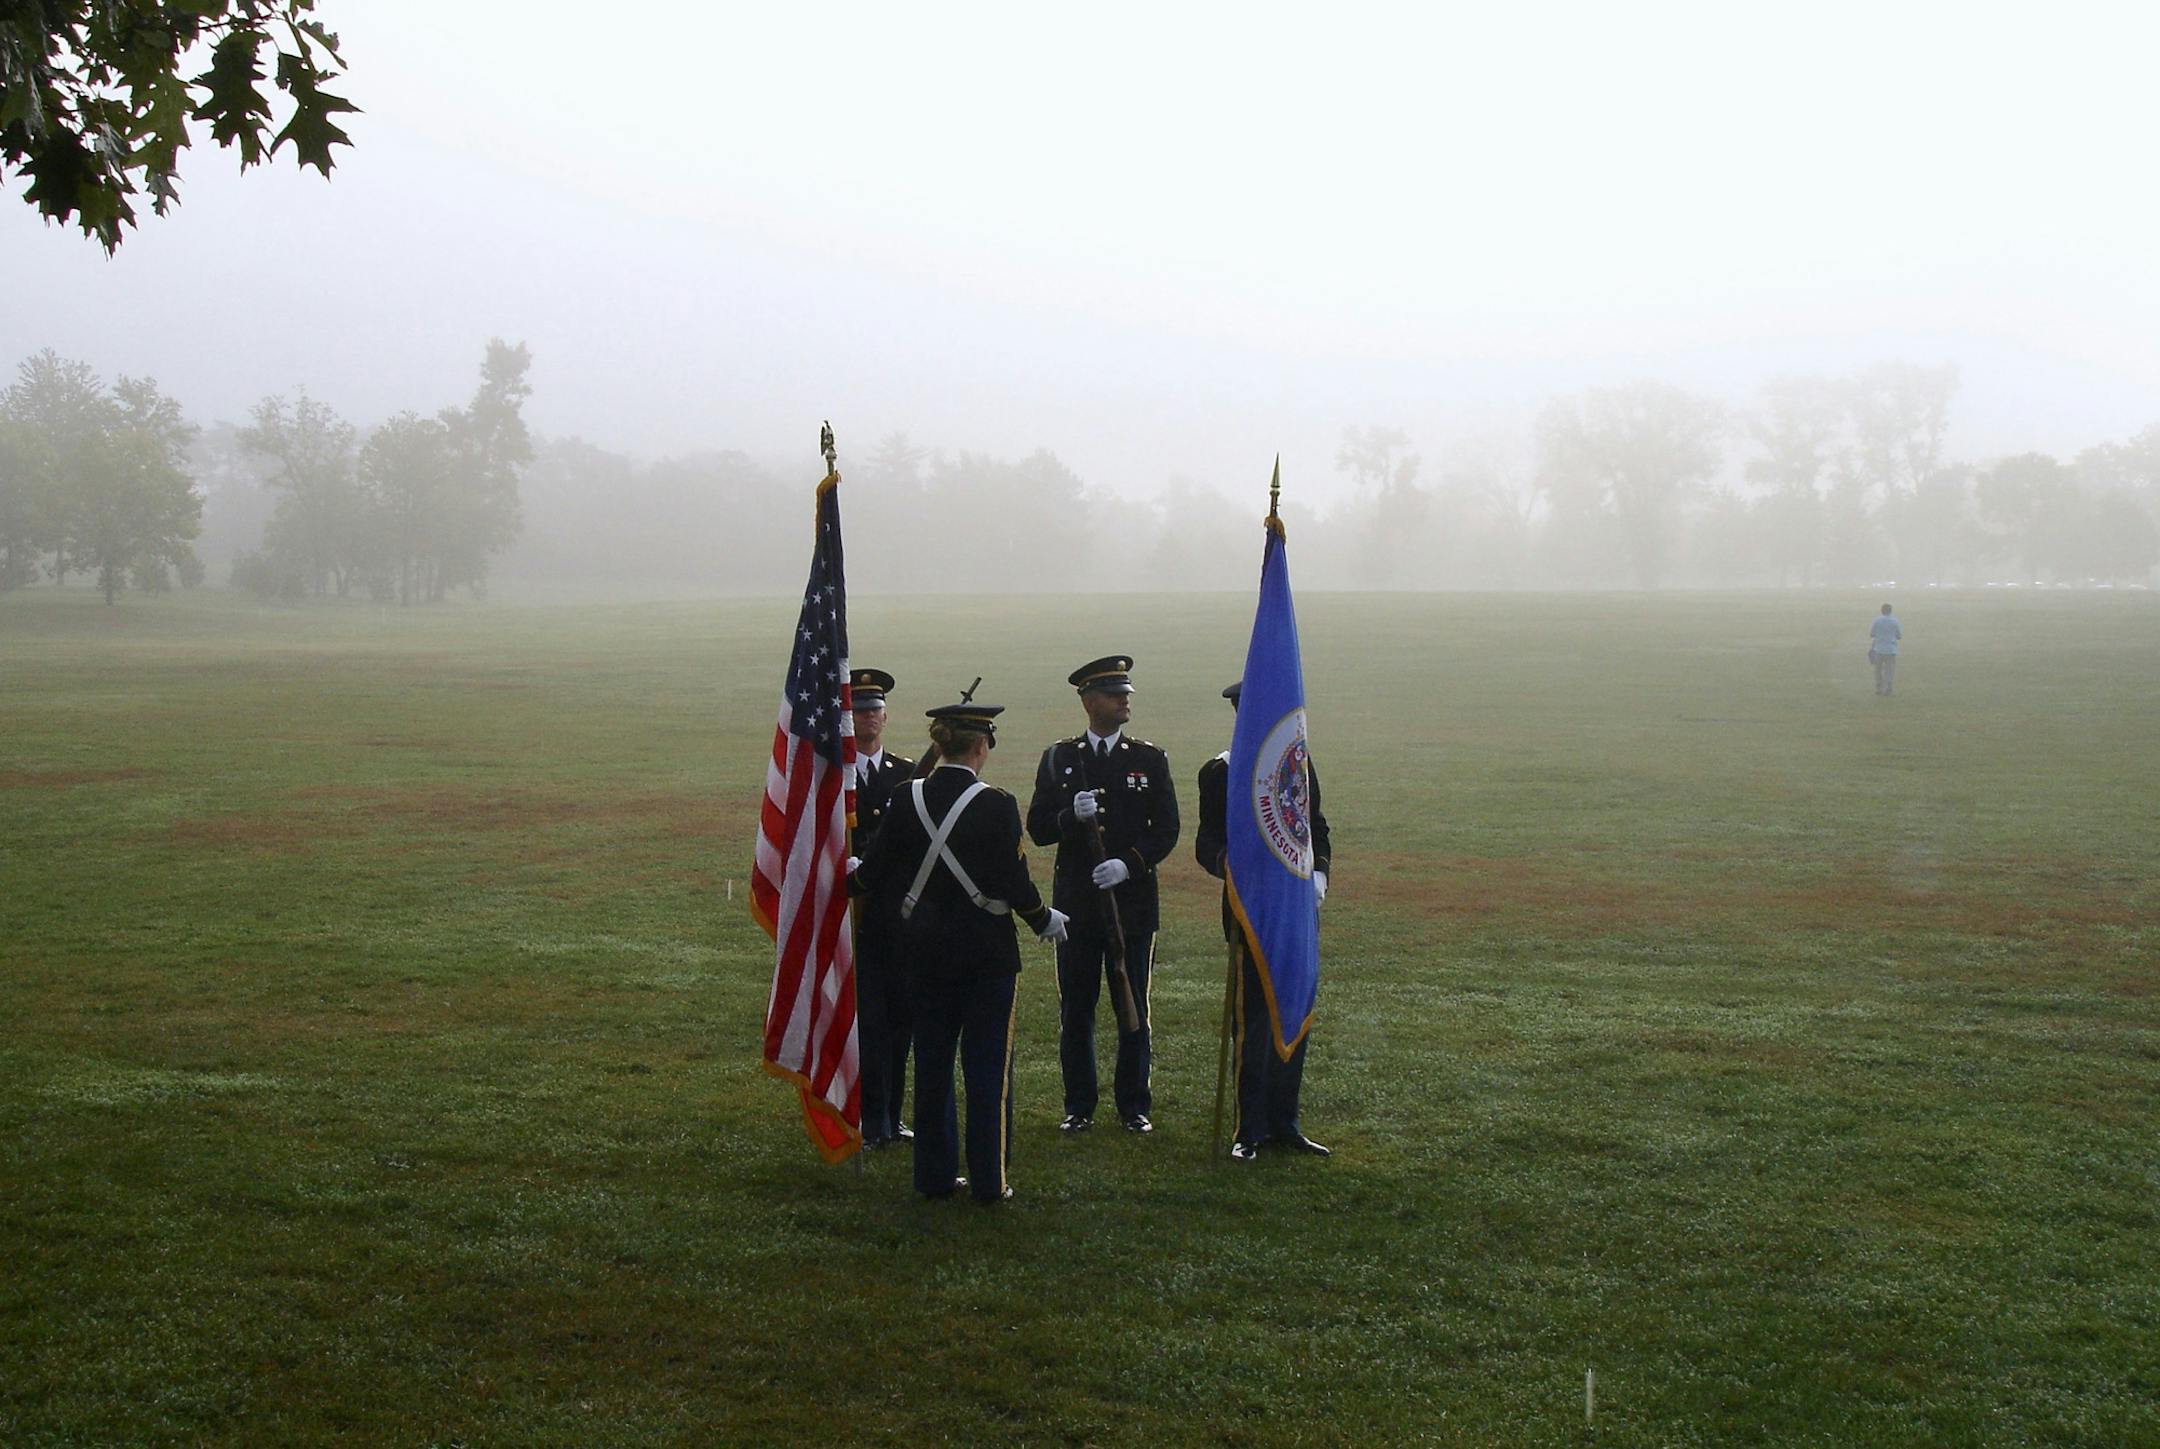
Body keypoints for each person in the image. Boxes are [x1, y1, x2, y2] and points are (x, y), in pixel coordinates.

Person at [850, 697, 1067, 1203]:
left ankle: (933, 1176)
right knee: (988, 1071)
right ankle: (990, 1181)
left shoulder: (906, 798)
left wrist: (847, 880)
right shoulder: (996, 804)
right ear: (979, 744)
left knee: (931, 1066)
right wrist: (1042, 919)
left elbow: (874, 871)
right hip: (987, 957)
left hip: (922, 954)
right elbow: (1012, 880)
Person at [1026, 655, 1180, 1135]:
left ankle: (1134, 1104)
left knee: (1134, 1004)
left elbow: (1167, 830)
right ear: (1090, 701)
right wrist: (1069, 816)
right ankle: (1079, 1104)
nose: (1125, 701)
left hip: (1132, 905)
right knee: (1077, 1006)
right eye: (1116, 695)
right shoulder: (1060, 758)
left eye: (1127, 693)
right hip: (1076, 904)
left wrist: (1129, 864)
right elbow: (1037, 830)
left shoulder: (1148, 759)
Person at [1196, 681, 1334, 1161]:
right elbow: (1206, 841)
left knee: (1294, 1008)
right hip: (1248, 914)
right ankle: (1249, 1127)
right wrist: (1229, 869)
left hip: (1295, 910)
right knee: (1252, 1020)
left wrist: (1320, 873)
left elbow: (1314, 825)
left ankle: (1286, 1122)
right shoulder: (1220, 772)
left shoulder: (1297, 763)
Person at [849, 668, 915, 1148]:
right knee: (866, 1022)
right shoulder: (832, 777)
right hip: (851, 917)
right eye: (859, 709)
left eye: (874, 709)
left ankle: (893, 1115)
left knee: (900, 1021)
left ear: (886, 716)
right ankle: (868, 1118)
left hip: (896, 915)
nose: (868, 717)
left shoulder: (906, 774)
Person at [1869, 603, 1902, 696]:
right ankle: (1888, 689)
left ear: (1881, 610)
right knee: (1889, 671)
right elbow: (1899, 636)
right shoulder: (1895, 621)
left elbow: (1872, 634)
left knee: (1878, 670)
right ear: (1890, 611)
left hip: (1878, 649)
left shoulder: (1877, 621)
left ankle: (1878, 688)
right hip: (1891, 649)